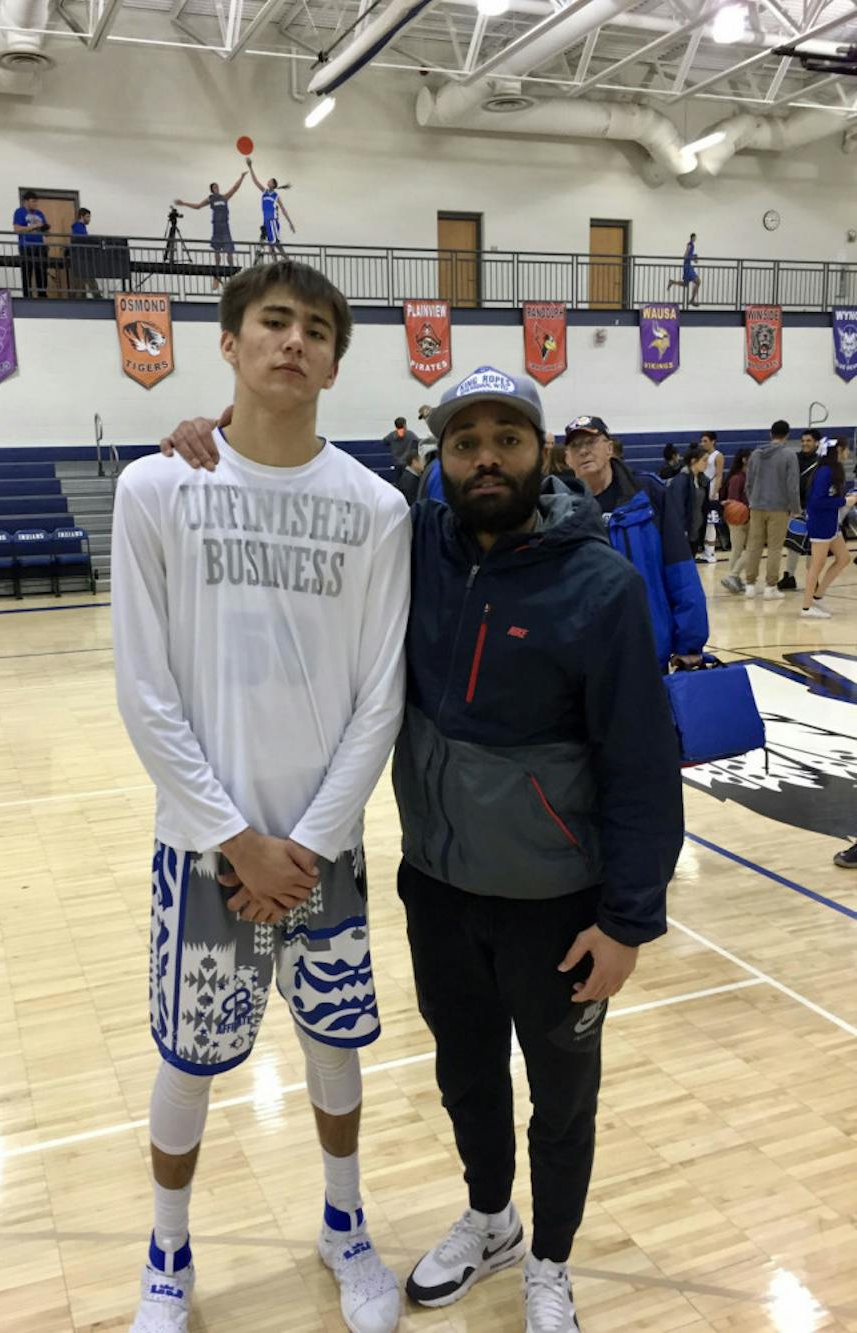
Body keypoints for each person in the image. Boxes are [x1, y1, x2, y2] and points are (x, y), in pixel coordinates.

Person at [158, 366, 686, 1333]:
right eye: (465, 441)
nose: (486, 457)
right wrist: (216, 433)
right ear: (439, 456)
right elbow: (300, 481)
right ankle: (492, 1220)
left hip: (558, 903)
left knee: (561, 1099)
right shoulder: (411, 542)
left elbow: (645, 762)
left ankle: (552, 1263)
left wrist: (628, 921)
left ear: (541, 452)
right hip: (439, 887)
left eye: (508, 438)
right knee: (467, 1074)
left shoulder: (600, 585)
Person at [113, 260, 410, 1333]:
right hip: (201, 851)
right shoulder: (157, 488)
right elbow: (143, 693)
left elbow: (380, 700)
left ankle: (343, 1224)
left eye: (317, 329)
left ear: (334, 360)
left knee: (334, 1047)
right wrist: (240, 840)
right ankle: (167, 1252)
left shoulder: (378, 509)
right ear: (229, 344)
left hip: (323, 852)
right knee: (188, 1060)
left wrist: (307, 846)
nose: (295, 341)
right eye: (273, 322)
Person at [563, 415, 708, 669]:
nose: (584, 450)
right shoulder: (560, 508)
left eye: (591, 442)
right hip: (585, 659)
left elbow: (679, 568)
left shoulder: (648, 493)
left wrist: (689, 642)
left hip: (647, 651)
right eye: (576, 446)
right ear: (567, 458)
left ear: (609, 448)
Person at [743, 419, 801, 599]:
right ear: (787, 435)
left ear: (771, 433)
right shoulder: (789, 455)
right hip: (779, 507)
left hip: (757, 506)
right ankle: (770, 587)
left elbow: (749, 483)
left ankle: (750, 585)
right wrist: (795, 507)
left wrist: (753, 500)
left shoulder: (756, 454)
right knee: (775, 548)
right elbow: (792, 485)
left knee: (754, 546)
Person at [800, 438, 856, 619]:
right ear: (839, 450)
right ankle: (806, 608)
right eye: (847, 449)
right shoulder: (825, 471)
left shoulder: (833, 470)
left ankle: (818, 595)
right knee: (817, 564)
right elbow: (817, 501)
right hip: (820, 522)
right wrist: (844, 501)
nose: (849, 452)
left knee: (843, 558)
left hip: (830, 522)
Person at [175, 173, 247, 289]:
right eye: (214, 187)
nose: (217, 188)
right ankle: (216, 277)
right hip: (216, 227)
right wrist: (184, 203)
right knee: (217, 252)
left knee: (229, 252)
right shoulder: (211, 198)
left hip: (225, 227)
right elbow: (198, 206)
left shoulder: (224, 197)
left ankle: (233, 277)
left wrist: (242, 177)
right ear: (212, 190)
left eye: (217, 187)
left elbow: (235, 188)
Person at [778, 428, 821, 591]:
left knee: (813, 546)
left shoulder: (821, 461)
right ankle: (789, 576)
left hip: (815, 508)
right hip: (797, 506)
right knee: (792, 544)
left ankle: (813, 578)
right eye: (803, 440)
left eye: (808, 441)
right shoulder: (794, 458)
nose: (804, 443)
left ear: (816, 442)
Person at [246, 157, 295, 259]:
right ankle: (276, 265)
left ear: (273, 184)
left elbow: (283, 210)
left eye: (270, 181)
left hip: (272, 221)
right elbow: (255, 181)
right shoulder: (264, 192)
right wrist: (250, 167)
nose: (267, 181)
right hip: (266, 222)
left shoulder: (275, 195)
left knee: (275, 244)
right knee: (271, 248)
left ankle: (288, 261)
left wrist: (290, 222)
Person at [720, 448, 751, 593]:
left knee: (738, 550)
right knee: (743, 550)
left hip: (748, 518)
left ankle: (734, 578)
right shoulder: (737, 478)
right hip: (737, 519)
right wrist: (742, 512)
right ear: (744, 459)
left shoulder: (749, 476)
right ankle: (732, 577)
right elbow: (733, 502)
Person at [668, 445, 709, 550]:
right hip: (684, 532)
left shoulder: (703, 480)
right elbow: (677, 508)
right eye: (704, 460)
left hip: (696, 530)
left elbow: (703, 506)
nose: (707, 463)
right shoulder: (681, 481)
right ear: (693, 461)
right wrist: (682, 530)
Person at [12, 190, 49, 298]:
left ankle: (42, 294)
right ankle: (27, 296)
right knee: (27, 272)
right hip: (26, 246)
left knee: (41, 272)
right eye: (33, 201)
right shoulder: (19, 212)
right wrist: (33, 227)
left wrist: (45, 229)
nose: (36, 204)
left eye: (36, 202)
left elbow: (46, 234)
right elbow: (17, 229)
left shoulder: (40, 213)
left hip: (40, 247)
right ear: (26, 201)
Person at [698, 431, 723, 563]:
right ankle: (705, 550)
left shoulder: (717, 455)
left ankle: (711, 553)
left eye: (705, 441)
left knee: (711, 522)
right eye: (702, 441)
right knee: (703, 522)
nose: (703, 443)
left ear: (713, 441)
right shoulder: (702, 455)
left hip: (712, 490)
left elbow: (719, 475)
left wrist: (715, 492)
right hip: (702, 490)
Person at [69, 207, 101, 299]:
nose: (89, 219)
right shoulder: (79, 227)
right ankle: (96, 296)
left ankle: (94, 295)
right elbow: (82, 240)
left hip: (81, 258)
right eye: (88, 216)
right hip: (81, 258)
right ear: (82, 216)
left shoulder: (79, 227)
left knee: (81, 281)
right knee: (86, 279)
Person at [668, 233, 700, 306]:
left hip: (687, 266)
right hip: (687, 266)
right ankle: (692, 300)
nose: (695, 239)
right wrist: (693, 257)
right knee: (698, 281)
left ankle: (672, 282)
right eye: (694, 237)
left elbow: (689, 255)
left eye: (695, 238)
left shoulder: (692, 245)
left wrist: (694, 257)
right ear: (692, 238)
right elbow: (686, 255)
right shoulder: (690, 244)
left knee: (685, 284)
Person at [383, 416, 419, 482]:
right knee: (408, 482)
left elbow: (384, 441)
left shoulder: (392, 435)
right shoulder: (410, 434)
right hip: (407, 463)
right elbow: (418, 442)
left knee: (398, 483)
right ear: (405, 425)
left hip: (397, 463)